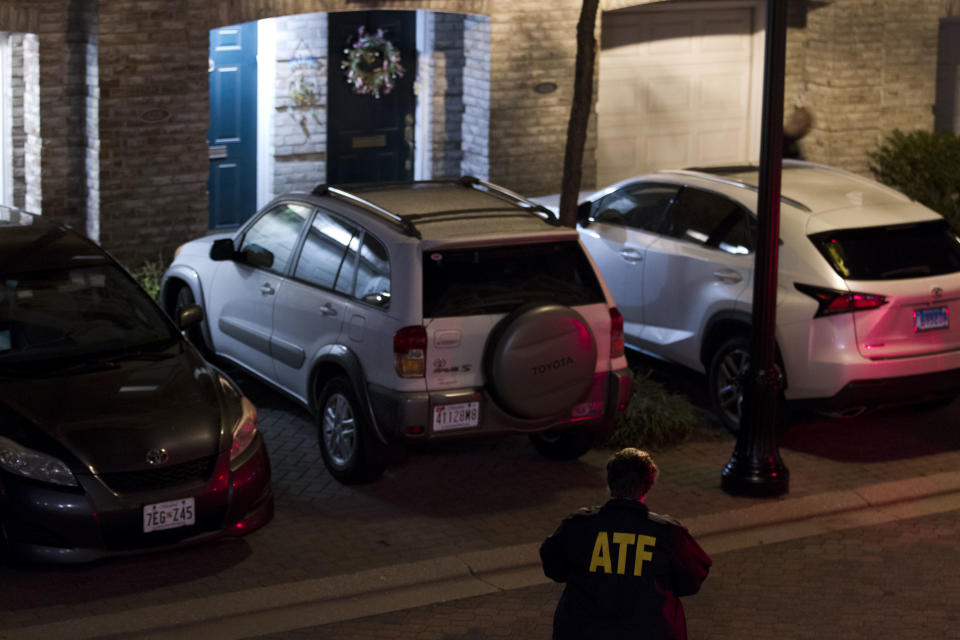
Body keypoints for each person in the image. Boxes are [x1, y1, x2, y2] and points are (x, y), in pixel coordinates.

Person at [539, 448, 711, 639]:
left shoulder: (578, 525)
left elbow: (553, 567)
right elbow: (692, 580)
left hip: (583, 630)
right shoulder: (668, 533)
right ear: (648, 486)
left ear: (610, 483)